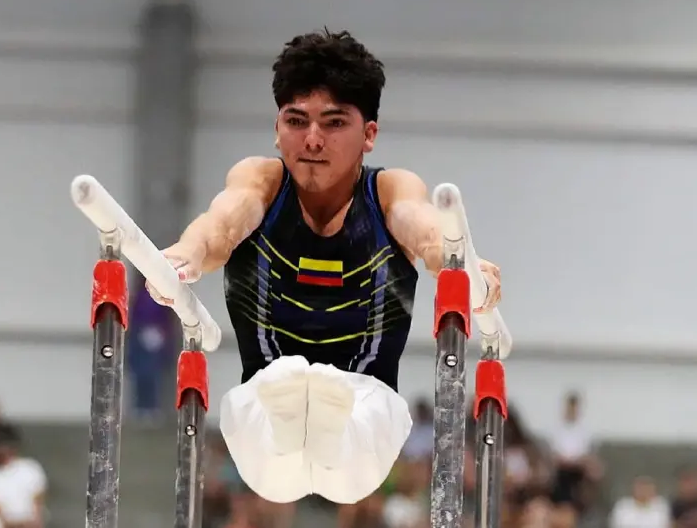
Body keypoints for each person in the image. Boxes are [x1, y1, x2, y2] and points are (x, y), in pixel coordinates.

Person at [146, 28, 502, 505]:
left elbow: (426, 232)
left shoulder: (390, 192)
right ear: (277, 128)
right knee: (269, 431)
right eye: (297, 120)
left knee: (350, 448)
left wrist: (464, 265)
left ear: (369, 134)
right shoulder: (261, 182)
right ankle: (296, 412)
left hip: (366, 403)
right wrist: (185, 255)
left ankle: (321, 418)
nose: (312, 139)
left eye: (333, 123)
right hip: (266, 396)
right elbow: (221, 226)